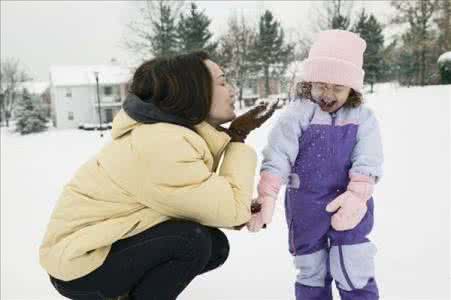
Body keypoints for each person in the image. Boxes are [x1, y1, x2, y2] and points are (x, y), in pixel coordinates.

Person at [39, 51, 276, 300]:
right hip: (79, 263)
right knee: (191, 242)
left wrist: (232, 204)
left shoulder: (168, 136)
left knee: (213, 245)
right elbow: (231, 209)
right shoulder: (161, 143)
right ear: (193, 91)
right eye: (223, 81)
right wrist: (237, 138)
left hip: (98, 248)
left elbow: (200, 200)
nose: (232, 89)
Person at [247, 30, 384, 300]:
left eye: (338, 88)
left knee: (353, 264)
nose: (328, 95)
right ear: (309, 82)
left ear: (353, 89)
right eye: (321, 85)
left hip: (350, 201)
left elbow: (369, 158)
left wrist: (357, 195)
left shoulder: (362, 118)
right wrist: (267, 194)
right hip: (306, 205)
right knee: (312, 269)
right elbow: (278, 155)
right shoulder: (297, 114)